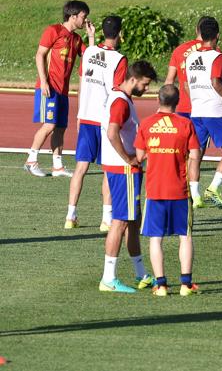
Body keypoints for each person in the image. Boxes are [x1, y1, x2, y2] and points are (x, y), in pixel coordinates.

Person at [135, 85, 201, 296]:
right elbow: (195, 154)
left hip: (155, 189)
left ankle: (161, 285)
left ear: (158, 99)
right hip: (180, 190)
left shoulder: (146, 124)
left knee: (156, 238)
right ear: (178, 101)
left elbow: (139, 155)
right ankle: (185, 284)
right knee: (185, 236)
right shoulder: (185, 124)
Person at [98, 61, 157, 293]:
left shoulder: (118, 96)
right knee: (120, 221)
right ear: (134, 79)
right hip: (123, 170)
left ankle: (141, 274)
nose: (146, 89)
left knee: (132, 220)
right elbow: (112, 132)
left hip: (118, 168)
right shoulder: (121, 102)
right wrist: (128, 158)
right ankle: (108, 278)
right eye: (145, 84)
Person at [64, 15, 127, 231]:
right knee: (108, 169)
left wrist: (80, 114)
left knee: (80, 168)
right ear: (120, 33)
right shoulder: (119, 59)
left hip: (86, 116)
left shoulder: (89, 52)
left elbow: (84, 81)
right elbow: (117, 91)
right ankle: (106, 219)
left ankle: (70, 215)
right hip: (105, 119)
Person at [24, 0, 95, 177]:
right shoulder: (53, 31)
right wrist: (44, 81)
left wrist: (91, 37)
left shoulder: (77, 39)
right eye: (83, 17)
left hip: (63, 91)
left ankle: (58, 166)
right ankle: (31, 160)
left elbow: (90, 58)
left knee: (61, 127)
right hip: (49, 88)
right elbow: (40, 55)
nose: (85, 20)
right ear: (72, 16)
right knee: (50, 125)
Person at [185, 16, 222, 209]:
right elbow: (216, 82)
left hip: (196, 110)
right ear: (217, 36)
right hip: (215, 110)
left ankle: (195, 195)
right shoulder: (217, 56)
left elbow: (188, 84)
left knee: (195, 154)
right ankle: (213, 187)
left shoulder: (190, 58)